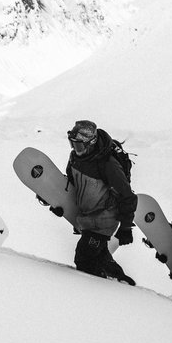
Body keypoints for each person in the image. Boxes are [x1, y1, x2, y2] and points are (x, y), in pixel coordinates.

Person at [65, 120, 138, 285]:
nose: (76, 150)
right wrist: (57, 202)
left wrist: (126, 228)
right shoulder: (75, 158)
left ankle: (102, 292)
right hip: (88, 217)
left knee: (84, 257)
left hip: (104, 219)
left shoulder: (107, 164)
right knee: (99, 255)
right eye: (73, 144)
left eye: (79, 146)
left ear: (90, 144)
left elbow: (128, 196)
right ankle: (118, 278)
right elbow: (72, 182)